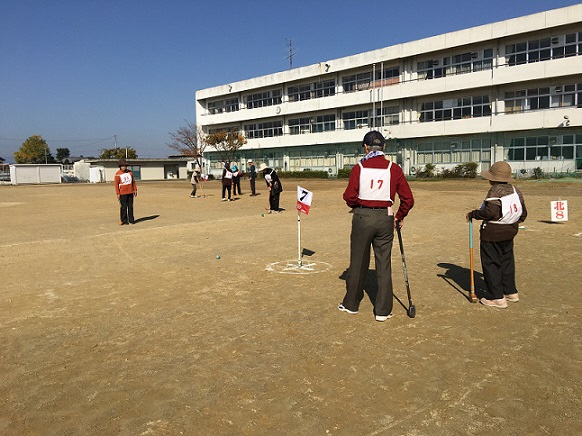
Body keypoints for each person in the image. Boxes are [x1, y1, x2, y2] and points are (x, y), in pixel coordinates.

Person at [339, 131, 414, 322]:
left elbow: (348, 196)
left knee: (357, 261)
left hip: (363, 216)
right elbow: (408, 199)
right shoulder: (393, 168)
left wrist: (358, 205)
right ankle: (382, 310)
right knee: (384, 263)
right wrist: (399, 215)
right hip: (385, 217)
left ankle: (351, 304)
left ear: (365, 147)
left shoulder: (359, 167)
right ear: (384, 147)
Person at [466, 161, 527, 308]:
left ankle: (497, 297)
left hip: (492, 233)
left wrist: (473, 213)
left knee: (491, 263)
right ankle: (511, 292)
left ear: (492, 179)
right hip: (510, 231)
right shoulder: (515, 190)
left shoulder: (495, 191)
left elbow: (489, 212)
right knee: (506, 261)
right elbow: (523, 213)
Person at [114, 158, 138, 225]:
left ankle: (131, 219)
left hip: (130, 192)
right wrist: (117, 193)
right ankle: (124, 220)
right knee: (123, 207)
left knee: (130, 206)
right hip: (122, 193)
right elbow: (116, 184)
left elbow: (133, 181)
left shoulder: (130, 172)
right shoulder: (117, 174)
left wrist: (135, 189)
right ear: (120, 167)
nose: (124, 167)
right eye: (122, 166)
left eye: (125, 166)